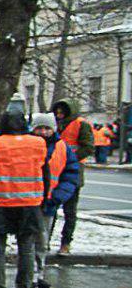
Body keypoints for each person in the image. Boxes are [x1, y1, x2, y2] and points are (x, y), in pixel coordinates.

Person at [0, 111, 49, 288]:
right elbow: (46, 174)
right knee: (26, 249)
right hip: (30, 205)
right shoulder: (37, 143)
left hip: (0, 203)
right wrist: (41, 203)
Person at [30, 112, 80, 288]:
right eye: (39, 128)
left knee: (42, 241)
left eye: (46, 128)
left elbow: (71, 175)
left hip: (49, 202)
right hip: (28, 201)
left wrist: (58, 196)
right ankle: (29, 275)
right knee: (28, 241)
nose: (43, 132)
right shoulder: (26, 145)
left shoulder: (62, 148)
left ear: (53, 129)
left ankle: (38, 275)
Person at [52, 98, 93, 254]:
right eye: (58, 111)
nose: (59, 114)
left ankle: (66, 243)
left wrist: (69, 159)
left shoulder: (80, 124)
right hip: (55, 170)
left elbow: (88, 147)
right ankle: (45, 240)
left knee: (70, 211)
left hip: (73, 170)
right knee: (50, 209)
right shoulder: (54, 124)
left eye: (63, 112)